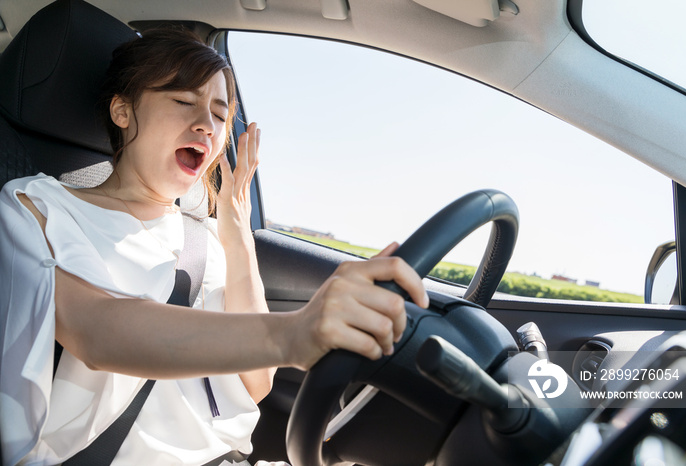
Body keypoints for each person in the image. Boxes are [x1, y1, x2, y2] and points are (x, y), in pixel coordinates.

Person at [0, 29, 428, 465]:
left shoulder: (203, 238)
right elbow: (96, 329)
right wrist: (295, 332)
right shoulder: (36, 207)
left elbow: (255, 383)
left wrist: (238, 235)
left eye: (220, 114)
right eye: (184, 101)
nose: (206, 123)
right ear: (123, 110)